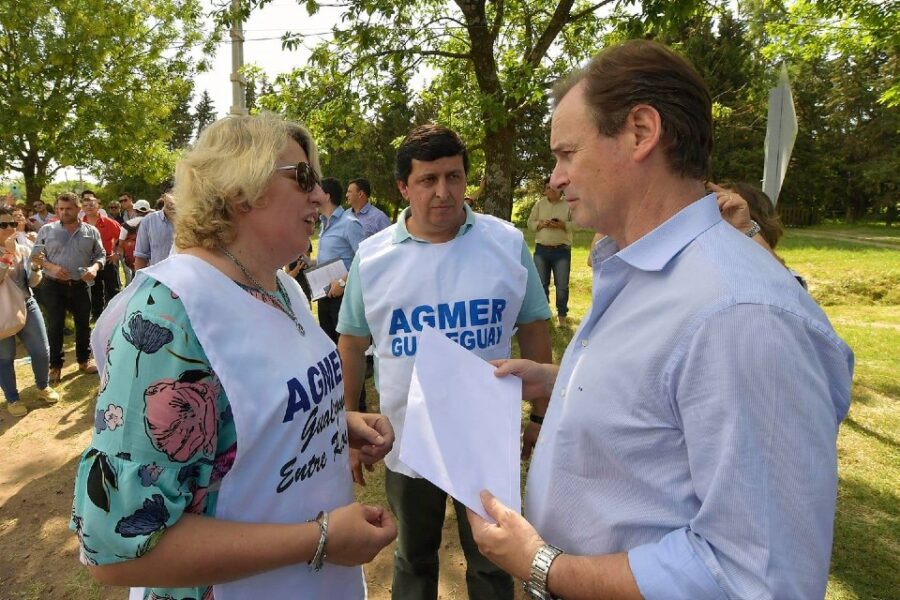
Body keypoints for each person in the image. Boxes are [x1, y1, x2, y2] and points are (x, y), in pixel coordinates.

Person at [467, 40, 854, 600]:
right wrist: (560, 380)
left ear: (642, 132)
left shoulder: (741, 316)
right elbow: (663, 395)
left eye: (567, 153)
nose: (556, 178)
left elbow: (758, 577)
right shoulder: (643, 269)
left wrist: (543, 565)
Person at [71, 112, 397, 600]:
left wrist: (330, 420)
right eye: (303, 177)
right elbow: (117, 549)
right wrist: (321, 539)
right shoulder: (171, 312)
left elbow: (245, 410)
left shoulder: (281, 284)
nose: (319, 195)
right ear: (242, 188)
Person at [337, 124, 553, 600]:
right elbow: (351, 343)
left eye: (454, 177)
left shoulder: (505, 243)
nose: (443, 192)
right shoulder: (372, 258)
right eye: (428, 180)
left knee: (494, 561)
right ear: (403, 187)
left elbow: (534, 328)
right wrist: (348, 423)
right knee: (413, 556)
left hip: (485, 438)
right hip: (407, 439)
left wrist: (541, 415)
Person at [36, 193, 105, 383]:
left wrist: (94, 268)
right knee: (55, 325)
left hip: (80, 285)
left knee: (83, 324)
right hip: (53, 285)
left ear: (78, 209)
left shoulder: (91, 231)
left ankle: (84, 360)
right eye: (61, 209)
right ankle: (55, 366)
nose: (64, 212)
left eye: (68, 209)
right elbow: (36, 256)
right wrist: (51, 267)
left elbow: (101, 254)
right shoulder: (47, 230)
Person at [1, 206, 59, 417]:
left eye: (12, 223)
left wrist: (35, 267)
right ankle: (12, 398)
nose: (10, 228)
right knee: (5, 357)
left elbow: (32, 283)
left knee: (41, 350)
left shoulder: (23, 249)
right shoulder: (12, 250)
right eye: (3, 225)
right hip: (3, 310)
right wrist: (8, 254)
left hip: (27, 304)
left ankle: (42, 386)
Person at [313, 177, 365, 342]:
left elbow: (364, 260)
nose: (312, 197)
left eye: (316, 192)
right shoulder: (324, 223)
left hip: (343, 296)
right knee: (328, 343)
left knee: (345, 345)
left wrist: (342, 283)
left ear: (327, 196)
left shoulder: (350, 223)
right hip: (324, 294)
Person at [527, 176, 573, 325]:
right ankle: (544, 315)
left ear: (560, 190)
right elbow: (530, 223)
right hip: (542, 251)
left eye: (553, 188)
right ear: (544, 190)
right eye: (548, 188)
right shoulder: (539, 204)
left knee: (562, 286)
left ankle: (562, 316)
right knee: (541, 285)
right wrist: (540, 224)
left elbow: (578, 224)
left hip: (562, 251)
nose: (551, 191)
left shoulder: (568, 204)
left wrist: (562, 225)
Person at [82, 195, 122, 320]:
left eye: (91, 204)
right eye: (85, 205)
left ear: (98, 206)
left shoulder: (110, 222)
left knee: (113, 289)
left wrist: (117, 254)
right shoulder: (80, 224)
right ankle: (97, 315)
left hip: (108, 259)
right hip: (90, 262)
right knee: (94, 289)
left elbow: (122, 238)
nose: (89, 207)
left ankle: (115, 315)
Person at [134, 193, 175, 269]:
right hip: (159, 275)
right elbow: (141, 257)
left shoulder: (193, 220)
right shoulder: (148, 221)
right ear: (164, 195)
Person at [117, 199, 154, 285]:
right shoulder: (153, 223)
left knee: (135, 280)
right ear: (148, 211)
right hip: (150, 257)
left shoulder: (126, 225)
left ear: (135, 210)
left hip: (133, 258)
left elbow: (121, 243)